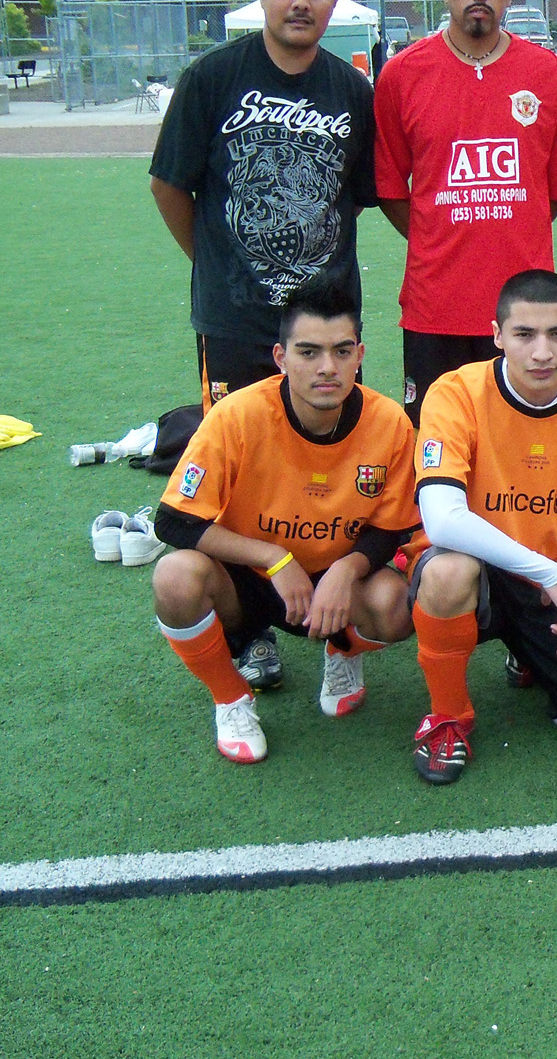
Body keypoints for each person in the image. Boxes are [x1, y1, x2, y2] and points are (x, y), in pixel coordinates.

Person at [150, 283, 418, 763]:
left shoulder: (390, 423)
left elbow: (393, 526)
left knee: (396, 605)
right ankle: (231, 698)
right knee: (174, 577)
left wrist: (346, 570)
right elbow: (173, 521)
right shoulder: (236, 416)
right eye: (308, 352)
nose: (326, 368)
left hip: (333, 585)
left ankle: (342, 650)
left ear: (360, 355)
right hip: (251, 583)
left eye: (340, 352)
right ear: (281, 356)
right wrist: (274, 558)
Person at [407, 269, 557, 786]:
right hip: (480, 577)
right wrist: (546, 571)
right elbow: (441, 516)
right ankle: (448, 716)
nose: (542, 352)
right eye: (524, 335)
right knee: (448, 572)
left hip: (548, 593)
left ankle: (532, 655)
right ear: (497, 336)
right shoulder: (454, 393)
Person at [149, 0, 376, 414]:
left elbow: (351, 194)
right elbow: (167, 185)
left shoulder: (353, 91)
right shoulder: (211, 78)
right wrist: (217, 254)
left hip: (326, 321)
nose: (300, 2)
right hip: (234, 318)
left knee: (332, 458)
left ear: (334, 0)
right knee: (237, 460)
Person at [373, 0, 557, 424]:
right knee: (434, 444)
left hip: (526, 313)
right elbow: (389, 188)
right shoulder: (402, 74)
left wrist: (510, 227)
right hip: (435, 305)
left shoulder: (546, 73)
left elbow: (552, 191)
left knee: (520, 448)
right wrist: (438, 231)